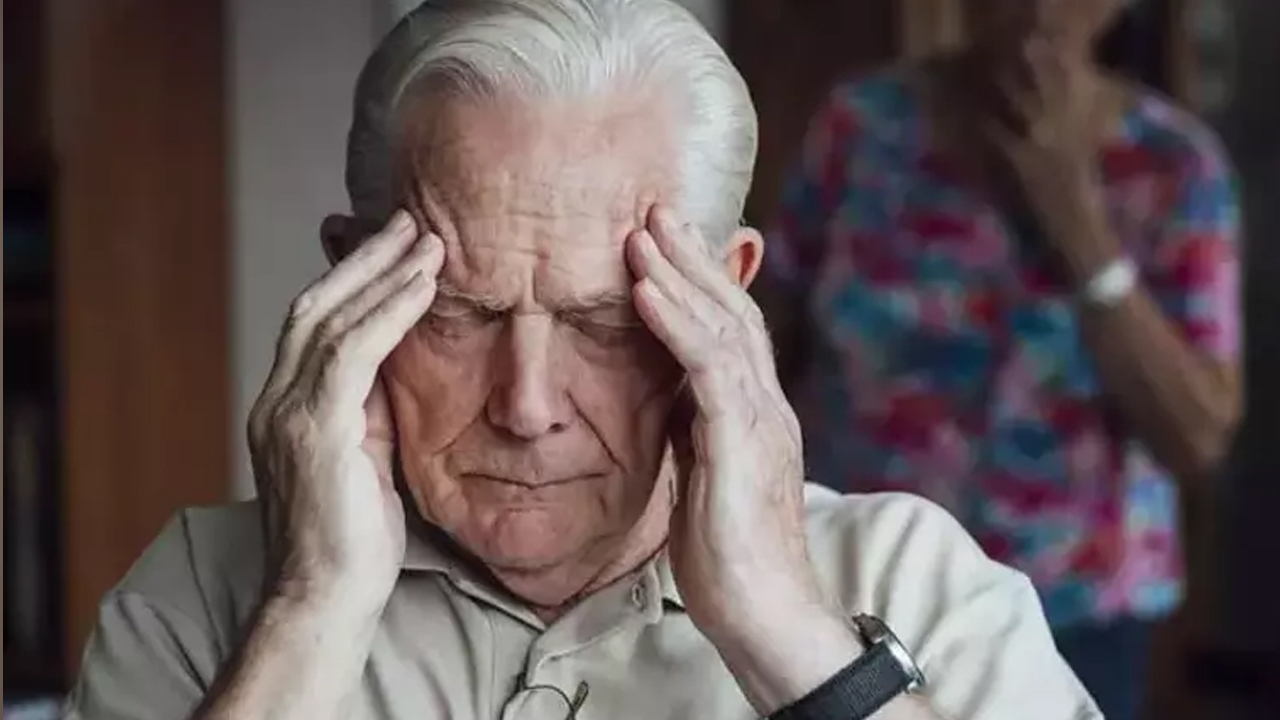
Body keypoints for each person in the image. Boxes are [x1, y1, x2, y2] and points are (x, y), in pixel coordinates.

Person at [65, 2, 1100, 719]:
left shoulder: (916, 580)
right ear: (347, 286)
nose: (526, 407)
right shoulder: (205, 592)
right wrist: (310, 612)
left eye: (604, 325)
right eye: (459, 314)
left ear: (724, 297)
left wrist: (784, 628)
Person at [759, 2, 1242, 719]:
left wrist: (1074, 217)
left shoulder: (1174, 165)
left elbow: (1199, 433)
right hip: (859, 582)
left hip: (1079, 610)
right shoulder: (860, 127)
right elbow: (763, 333)